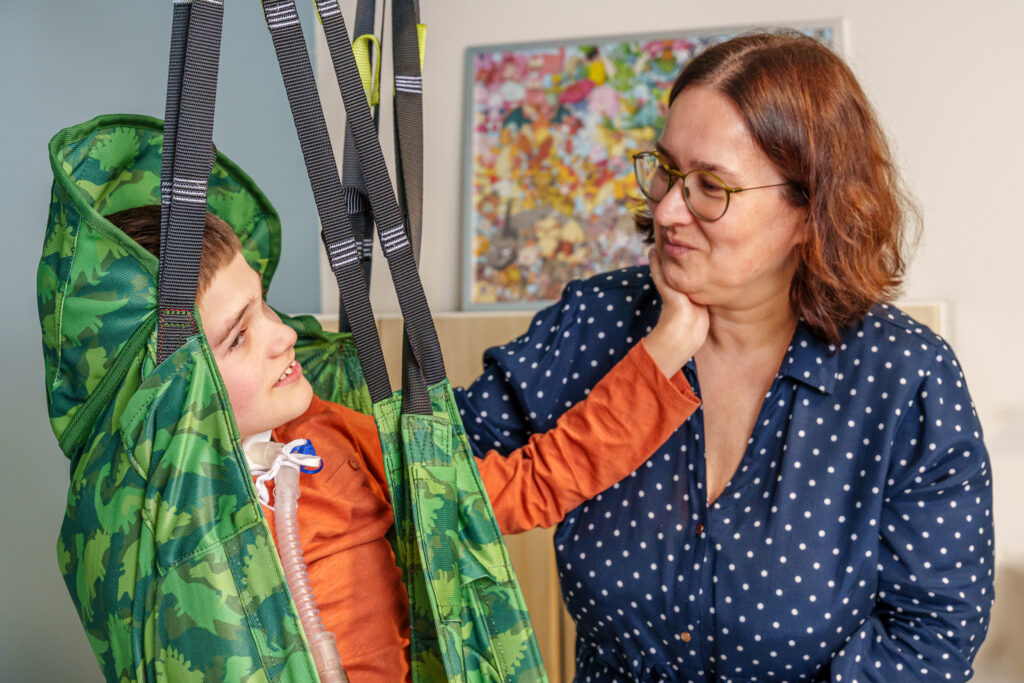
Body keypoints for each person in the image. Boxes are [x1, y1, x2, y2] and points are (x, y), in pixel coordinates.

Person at [455, 30, 994, 681]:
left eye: (711, 186)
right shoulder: (595, 324)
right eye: (666, 171)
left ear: (809, 209)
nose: (669, 210)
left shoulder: (906, 377)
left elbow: (931, 638)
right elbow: (432, 470)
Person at [107, 204, 707, 681]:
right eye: (238, 336)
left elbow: (517, 488)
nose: (284, 334)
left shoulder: (328, 435)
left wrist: (661, 357)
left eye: (265, 305)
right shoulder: (158, 533)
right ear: (162, 390)